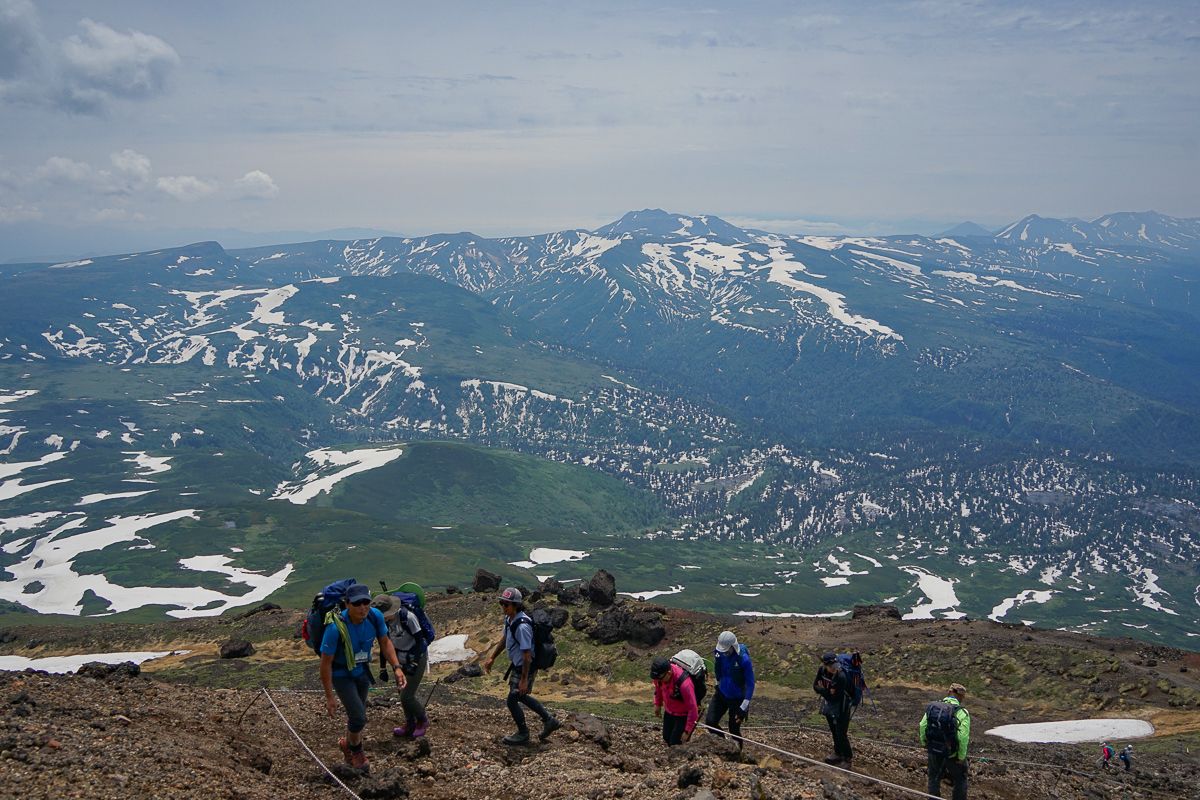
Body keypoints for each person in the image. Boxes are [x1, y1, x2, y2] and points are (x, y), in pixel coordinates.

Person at [320, 582, 405, 770]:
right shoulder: (335, 628)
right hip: (342, 674)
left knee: (357, 715)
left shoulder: (374, 617)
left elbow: (385, 641)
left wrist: (396, 667)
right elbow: (325, 664)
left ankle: (347, 746)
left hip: (362, 671)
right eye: (357, 604)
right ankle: (357, 752)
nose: (363, 607)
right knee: (359, 717)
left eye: (366, 602)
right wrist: (329, 696)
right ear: (347, 604)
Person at [483, 587, 561, 745]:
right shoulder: (509, 619)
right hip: (518, 665)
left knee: (513, 699)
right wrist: (492, 657)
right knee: (520, 696)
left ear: (516, 605)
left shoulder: (522, 626)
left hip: (525, 667)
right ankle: (549, 720)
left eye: (507, 604)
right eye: (502, 603)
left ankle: (524, 733)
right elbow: (505, 638)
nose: (503, 607)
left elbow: (527, 655)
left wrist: (524, 679)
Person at [372, 593, 429, 738]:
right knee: (401, 693)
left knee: (407, 696)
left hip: (416, 657)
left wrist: (415, 662)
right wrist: (383, 668)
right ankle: (409, 723)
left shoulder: (407, 617)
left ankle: (422, 721)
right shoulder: (383, 623)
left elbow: (419, 640)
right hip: (399, 659)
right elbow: (384, 644)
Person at [919, 682, 971, 800]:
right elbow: (963, 737)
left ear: (949, 692)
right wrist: (961, 756)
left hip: (933, 750)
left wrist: (924, 743)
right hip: (952, 754)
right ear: (961, 697)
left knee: (933, 778)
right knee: (960, 780)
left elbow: (922, 725)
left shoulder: (934, 708)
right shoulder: (962, 712)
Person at [706, 630, 755, 746]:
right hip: (721, 694)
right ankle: (723, 744)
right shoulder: (719, 653)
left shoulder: (744, 660)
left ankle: (738, 752)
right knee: (710, 722)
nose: (724, 652)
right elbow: (718, 669)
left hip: (737, 699)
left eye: (727, 650)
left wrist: (743, 707)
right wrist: (717, 683)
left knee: (734, 729)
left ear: (733, 646)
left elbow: (750, 684)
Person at [813, 652, 854, 767]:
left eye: (835, 665)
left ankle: (847, 758)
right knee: (833, 730)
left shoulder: (841, 676)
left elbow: (836, 697)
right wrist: (827, 691)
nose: (833, 668)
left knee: (841, 732)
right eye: (831, 666)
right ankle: (838, 753)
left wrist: (823, 690)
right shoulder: (821, 671)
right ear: (825, 665)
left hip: (843, 707)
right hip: (829, 705)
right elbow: (815, 686)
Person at [652, 656, 698, 745]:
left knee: (675, 742)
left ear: (668, 673)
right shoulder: (659, 676)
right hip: (669, 711)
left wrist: (687, 731)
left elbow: (693, 708)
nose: (658, 680)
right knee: (666, 737)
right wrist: (657, 704)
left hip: (683, 716)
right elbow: (658, 688)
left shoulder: (685, 684)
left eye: (660, 678)